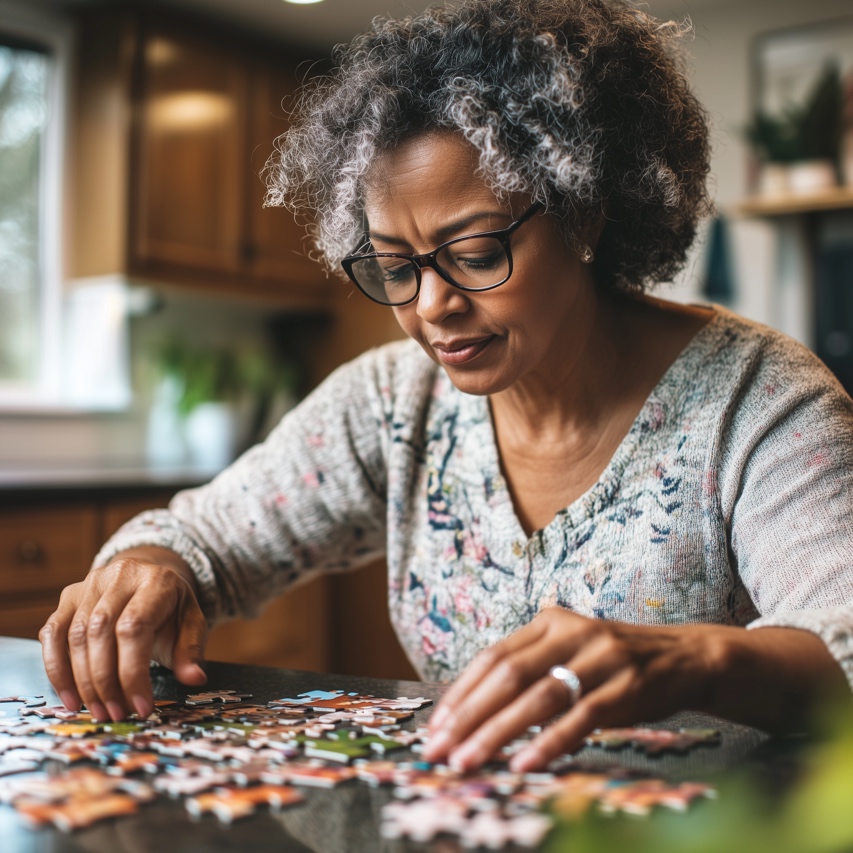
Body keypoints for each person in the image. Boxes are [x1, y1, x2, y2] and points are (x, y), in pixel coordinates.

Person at [41, 0, 853, 774]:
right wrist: (151, 567)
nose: (431, 305)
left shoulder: (760, 401)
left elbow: (843, 648)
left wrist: (686, 658)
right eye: (396, 266)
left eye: (472, 252)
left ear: (586, 215)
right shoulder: (395, 402)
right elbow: (203, 539)